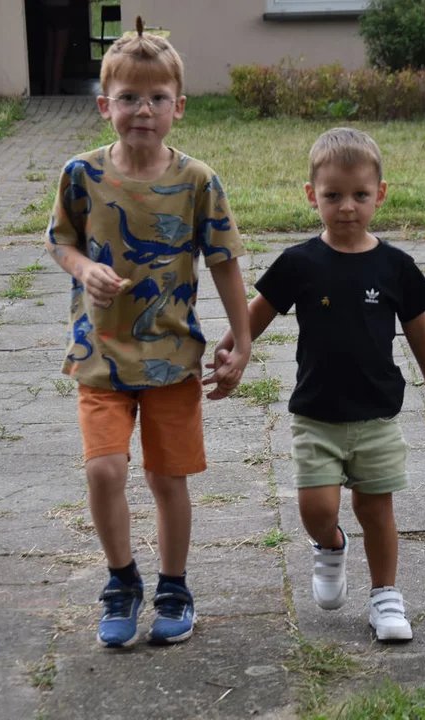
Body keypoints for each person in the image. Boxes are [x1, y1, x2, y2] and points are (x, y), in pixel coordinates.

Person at [45, 18, 251, 648]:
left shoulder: (196, 181)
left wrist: (242, 341)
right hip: (100, 355)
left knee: (167, 479)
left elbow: (224, 260)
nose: (143, 109)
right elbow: (61, 241)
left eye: (157, 97)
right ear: (104, 104)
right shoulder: (81, 173)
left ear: (178, 108)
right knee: (104, 470)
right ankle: (120, 581)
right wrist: (85, 271)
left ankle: (174, 586)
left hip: (171, 359)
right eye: (129, 98)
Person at [212, 127, 425, 641]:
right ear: (311, 195)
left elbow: (419, 330)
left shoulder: (395, 267)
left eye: (361, 195)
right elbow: (258, 312)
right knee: (316, 509)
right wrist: (234, 348)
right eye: (333, 195)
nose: (347, 207)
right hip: (316, 415)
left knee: (377, 508)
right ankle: (330, 546)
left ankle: (386, 598)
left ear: (380, 194)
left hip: (376, 416)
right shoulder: (300, 263)